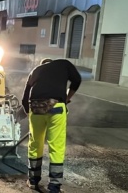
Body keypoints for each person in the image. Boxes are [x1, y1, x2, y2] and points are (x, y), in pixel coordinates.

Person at [21, 58, 81, 193]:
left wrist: (32, 115)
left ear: (43, 65)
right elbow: (77, 80)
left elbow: (25, 100)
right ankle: (54, 187)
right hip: (56, 107)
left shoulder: (35, 71)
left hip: (36, 107)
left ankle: (33, 181)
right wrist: (66, 98)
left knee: (35, 144)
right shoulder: (64, 64)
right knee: (56, 146)